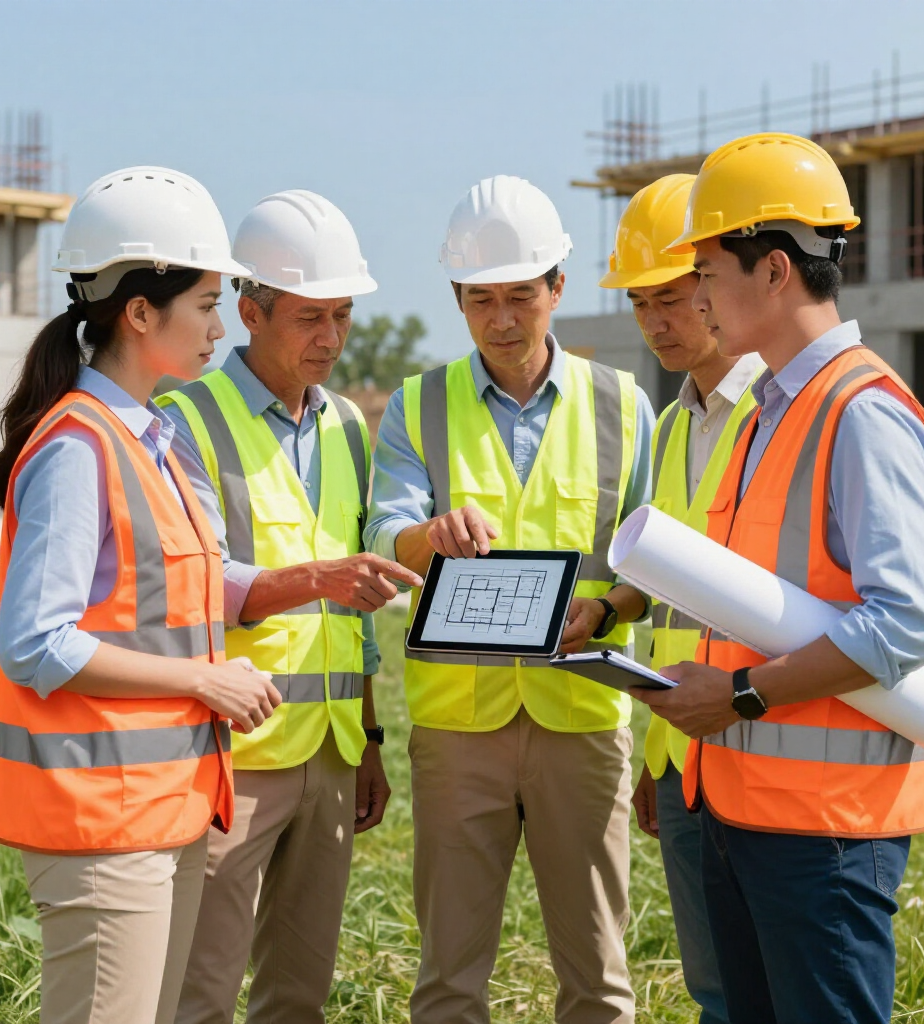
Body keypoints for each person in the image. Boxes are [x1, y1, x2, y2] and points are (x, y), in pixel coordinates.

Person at [631, 133, 924, 1024]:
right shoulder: (776, 409)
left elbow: (904, 625)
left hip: (828, 834)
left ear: (773, 272)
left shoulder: (862, 413)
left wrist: (736, 697)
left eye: (705, 271)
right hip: (741, 809)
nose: (694, 296)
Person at [0, 166, 281, 1024]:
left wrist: (306, 584)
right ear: (140, 312)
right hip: (103, 826)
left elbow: (171, 593)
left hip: (162, 812)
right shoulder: (80, 447)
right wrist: (201, 682)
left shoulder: (151, 438)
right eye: (207, 305)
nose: (221, 329)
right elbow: (37, 641)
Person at [365, 174, 655, 1024]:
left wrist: (607, 610)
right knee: (449, 981)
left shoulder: (625, 408)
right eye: (480, 299)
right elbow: (384, 534)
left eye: (520, 296)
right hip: (461, 730)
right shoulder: (417, 407)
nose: (501, 319)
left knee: (598, 982)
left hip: (584, 720)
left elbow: (656, 567)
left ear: (557, 288)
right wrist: (428, 535)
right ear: (458, 299)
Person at [158, 190, 421, 1024]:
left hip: (335, 755)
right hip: (233, 758)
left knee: (298, 997)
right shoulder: (186, 418)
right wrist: (319, 579)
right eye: (311, 317)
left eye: (342, 316)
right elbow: (197, 585)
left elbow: (356, 612)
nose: (332, 339)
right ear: (248, 310)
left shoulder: (347, 424)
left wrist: (371, 738)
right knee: (200, 991)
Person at [601, 173, 763, 1024]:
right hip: (682, 749)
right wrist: (607, 609)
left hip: (759, 735)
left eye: (672, 297)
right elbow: (669, 577)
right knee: (713, 990)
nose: (658, 322)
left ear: (713, 285)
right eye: (640, 305)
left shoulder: (775, 414)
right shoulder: (669, 426)